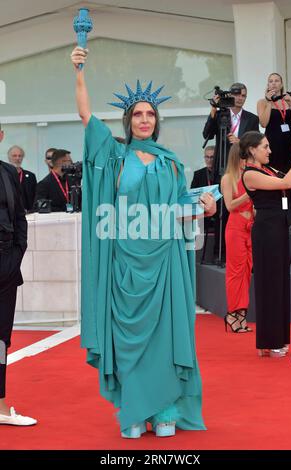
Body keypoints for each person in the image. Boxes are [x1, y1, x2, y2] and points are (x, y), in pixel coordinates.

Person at [71, 46, 216, 438]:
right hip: (125, 265)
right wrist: (80, 71)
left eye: (150, 114)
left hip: (165, 263)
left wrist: (203, 210)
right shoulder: (115, 157)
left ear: (158, 120)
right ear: (127, 119)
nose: (144, 119)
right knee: (128, 340)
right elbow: (86, 117)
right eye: (138, 113)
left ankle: (165, 408)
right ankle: (135, 411)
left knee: (164, 337)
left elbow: (179, 211)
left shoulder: (171, 163)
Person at [241, 131, 291, 357]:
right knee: (270, 285)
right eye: (265, 147)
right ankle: (269, 340)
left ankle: (279, 339)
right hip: (266, 232)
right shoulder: (250, 174)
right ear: (252, 150)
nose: (270, 151)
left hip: (279, 229)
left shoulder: (269, 169)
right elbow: (286, 181)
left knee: (280, 285)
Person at [0, 129, 37, 425]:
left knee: (0, 339)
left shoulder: (9, 173)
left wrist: (17, 254)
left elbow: (19, 218)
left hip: (6, 265)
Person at [203, 83, 259, 264]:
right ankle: (220, 253)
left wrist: (240, 141)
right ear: (231, 95)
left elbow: (256, 143)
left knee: (240, 208)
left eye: (244, 95)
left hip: (242, 168)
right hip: (222, 168)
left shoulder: (251, 118)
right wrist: (213, 109)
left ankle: (243, 251)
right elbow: (207, 134)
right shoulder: (220, 115)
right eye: (237, 94)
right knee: (221, 212)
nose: (240, 98)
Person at [221, 143, 254, 333]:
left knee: (247, 272)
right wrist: (247, 194)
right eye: (245, 156)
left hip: (250, 228)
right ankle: (232, 314)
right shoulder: (228, 178)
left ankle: (241, 315)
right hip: (235, 228)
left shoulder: (249, 176)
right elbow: (229, 205)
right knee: (235, 273)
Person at [257, 73, 291, 175]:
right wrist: (269, 102)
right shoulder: (262, 102)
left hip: (288, 142)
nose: (273, 84)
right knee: (274, 173)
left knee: (290, 173)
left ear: (281, 84)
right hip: (272, 143)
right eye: (271, 81)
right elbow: (263, 123)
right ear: (268, 85)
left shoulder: (288, 100)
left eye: (276, 81)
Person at [7, 145, 37, 212]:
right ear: (9, 158)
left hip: (28, 214)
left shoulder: (31, 176)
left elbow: (35, 197)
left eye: (20, 156)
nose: (17, 158)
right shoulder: (4, 176)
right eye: (14, 156)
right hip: (9, 215)